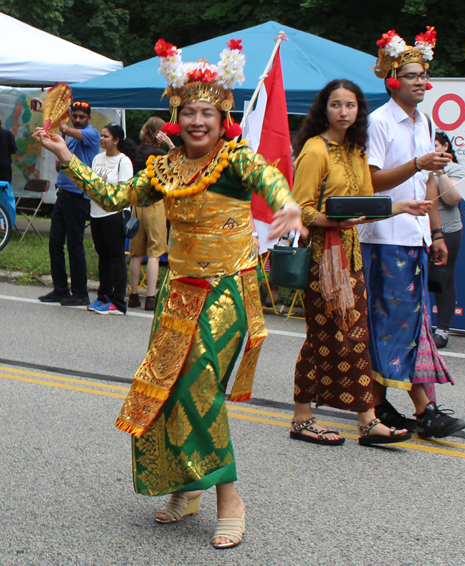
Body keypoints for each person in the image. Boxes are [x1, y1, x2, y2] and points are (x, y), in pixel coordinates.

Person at [33, 38, 306, 549]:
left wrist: (287, 204)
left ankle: (230, 499)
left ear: (222, 116)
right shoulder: (163, 168)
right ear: (176, 118)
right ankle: (186, 486)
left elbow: (270, 178)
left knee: (197, 388)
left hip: (227, 290)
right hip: (178, 293)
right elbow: (115, 196)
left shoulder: (236, 160)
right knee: (162, 389)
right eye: (189, 112)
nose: (198, 120)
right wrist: (66, 154)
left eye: (207, 111)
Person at [291, 79, 433, 447]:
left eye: (350, 106)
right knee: (324, 336)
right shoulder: (314, 150)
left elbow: (365, 207)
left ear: (358, 111)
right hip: (323, 258)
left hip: (351, 256)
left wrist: (403, 207)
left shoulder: (356, 150)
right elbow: (299, 210)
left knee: (355, 338)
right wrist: (333, 221)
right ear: (325, 109)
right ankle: (305, 417)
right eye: (336, 105)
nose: (343, 112)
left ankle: (365, 420)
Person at [358, 27, 465, 439]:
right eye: (411, 76)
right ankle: (422, 409)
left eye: (423, 75)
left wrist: (436, 233)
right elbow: (371, 182)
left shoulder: (425, 121)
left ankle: (384, 403)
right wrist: (419, 163)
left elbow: (430, 182)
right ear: (392, 81)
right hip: (385, 238)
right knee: (394, 324)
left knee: (410, 322)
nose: (421, 82)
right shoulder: (379, 122)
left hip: (416, 237)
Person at [38, 101, 100, 306]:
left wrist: (49, 111)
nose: (78, 119)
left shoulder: (91, 134)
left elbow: (63, 128)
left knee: (74, 245)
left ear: (89, 118)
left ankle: (81, 293)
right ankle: (61, 290)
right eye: (75, 116)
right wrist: (59, 166)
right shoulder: (70, 140)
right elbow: (64, 167)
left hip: (78, 197)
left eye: (82, 116)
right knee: (55, 243)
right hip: (63, 195)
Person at [86, 123, 136, 315]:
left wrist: (123, 214)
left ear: (116, 140)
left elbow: (125, 191)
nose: (102, 139)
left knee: (116, 258)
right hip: (96, 213)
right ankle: (103, 297)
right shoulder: (97, 158)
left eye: (106, 136)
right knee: (103, 257)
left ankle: (118, 302)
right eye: (101, 135)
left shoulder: (123, 161)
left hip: (114, 214)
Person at [128, 117, 173, 311]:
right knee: (155, 253)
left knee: (136, 253)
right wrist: (171, 146)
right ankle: (151, 298)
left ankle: (133, 295)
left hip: (137, 204)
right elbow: (179, 165)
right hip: (156, 205)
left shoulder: (136, 151)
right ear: (159, 134)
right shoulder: (160, 154)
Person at [431, 131, 465, 348]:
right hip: (417, 232)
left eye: (434, 145)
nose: (431, 149)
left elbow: (452, 199)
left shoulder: (455, 169)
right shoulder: (415, 167)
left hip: (447, 232)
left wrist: (440, 171)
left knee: (443, 279)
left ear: (445, 147)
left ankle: (442, 330)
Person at [0, 114, 18, 183]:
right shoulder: (8, 134)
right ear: (1, 122)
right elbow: (15, 151)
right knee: (4, 190)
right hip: (5, 168)